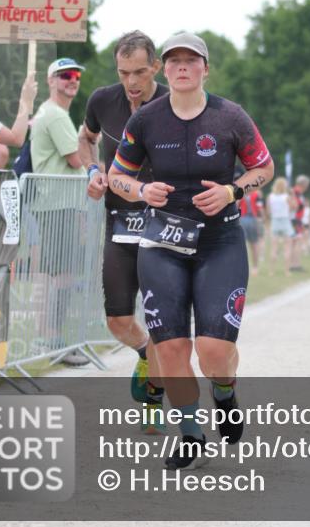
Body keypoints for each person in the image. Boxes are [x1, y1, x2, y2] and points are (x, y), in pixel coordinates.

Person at [107, 32, 274, 469]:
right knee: (171, 348)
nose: (182, 67)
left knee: (213, 351)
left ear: (205, 68)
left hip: (219, 242)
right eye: (174, 60)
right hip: (163, 243)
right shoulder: (146, 120)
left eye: (191, 60)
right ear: (163, 69)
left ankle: (225, 391)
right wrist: (141, 190)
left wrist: (232, 191)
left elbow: (264, 167)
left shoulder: (230, 116)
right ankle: (190, 434)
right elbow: (117, 177)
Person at [78, 30, 168, 417]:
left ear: (156, 67)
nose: (131, 81)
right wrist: (92, 171)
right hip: (120, 223)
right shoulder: (102, 100)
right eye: (123, 72)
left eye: (139, 72)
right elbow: (86, 139)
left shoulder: (173, 104)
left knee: (165, 322)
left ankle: (154, 402)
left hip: (165, 227)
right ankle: (146, 354)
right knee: (118, 320)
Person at [30, 57, 88, 366]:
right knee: (62, 275)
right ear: (51, 80)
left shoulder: (52, 112)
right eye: (65, 75)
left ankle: (47, 338)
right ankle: (54, 341)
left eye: (76, 75)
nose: (72, 79)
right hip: (59, 203)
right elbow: (76, 159)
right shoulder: (54, 114)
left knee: (53, 273)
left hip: (56, 203)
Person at [267, 177, 294, 272]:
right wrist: (292, 195)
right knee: (287, 247)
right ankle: (287, 271)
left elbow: (268, 211)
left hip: (275, 221)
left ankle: (271, 270)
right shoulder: (286, 197)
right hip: (285, 221)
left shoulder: (270, 197)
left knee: (274, 248)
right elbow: (293, 207)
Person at [239, 187, 264, 274]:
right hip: (253, 219)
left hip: (242, 219)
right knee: (254, 245)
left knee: (242, 246)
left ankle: (242, 267)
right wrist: (262, 218)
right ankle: (255, 267)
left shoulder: (240, 193)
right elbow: (260, 207)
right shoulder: (257, 194)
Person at [289, 174, 310, 272]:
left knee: (295, 242)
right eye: (307, 185)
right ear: (303, 184)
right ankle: (295, 265)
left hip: (296, 219)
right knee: (297, 242)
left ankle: (294, 264)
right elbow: (295, 206)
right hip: (295, 219)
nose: (307, 187)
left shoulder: (298, 193)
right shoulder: (296, 192)